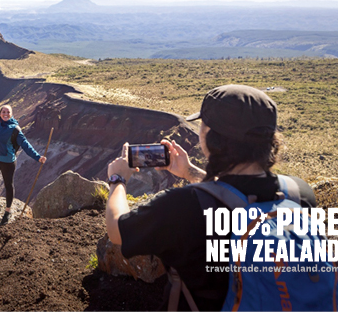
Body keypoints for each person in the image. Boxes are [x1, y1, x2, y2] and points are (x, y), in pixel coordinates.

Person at [104, 84, 319, 310]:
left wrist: (118, 178)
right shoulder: (299, 194)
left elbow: (117, 230)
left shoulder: (182, 207)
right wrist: (189, 171)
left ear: (210, 137)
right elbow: (237, 196)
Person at [0, 79, 47, 224]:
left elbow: (26, 145)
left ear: (11, 114)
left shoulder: (15, 129)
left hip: (8, 161)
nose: (5, 114)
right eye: (3, 111)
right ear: (0, 113)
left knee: (8, 186)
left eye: (8, 112)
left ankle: (7, 211)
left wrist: (38, 157)